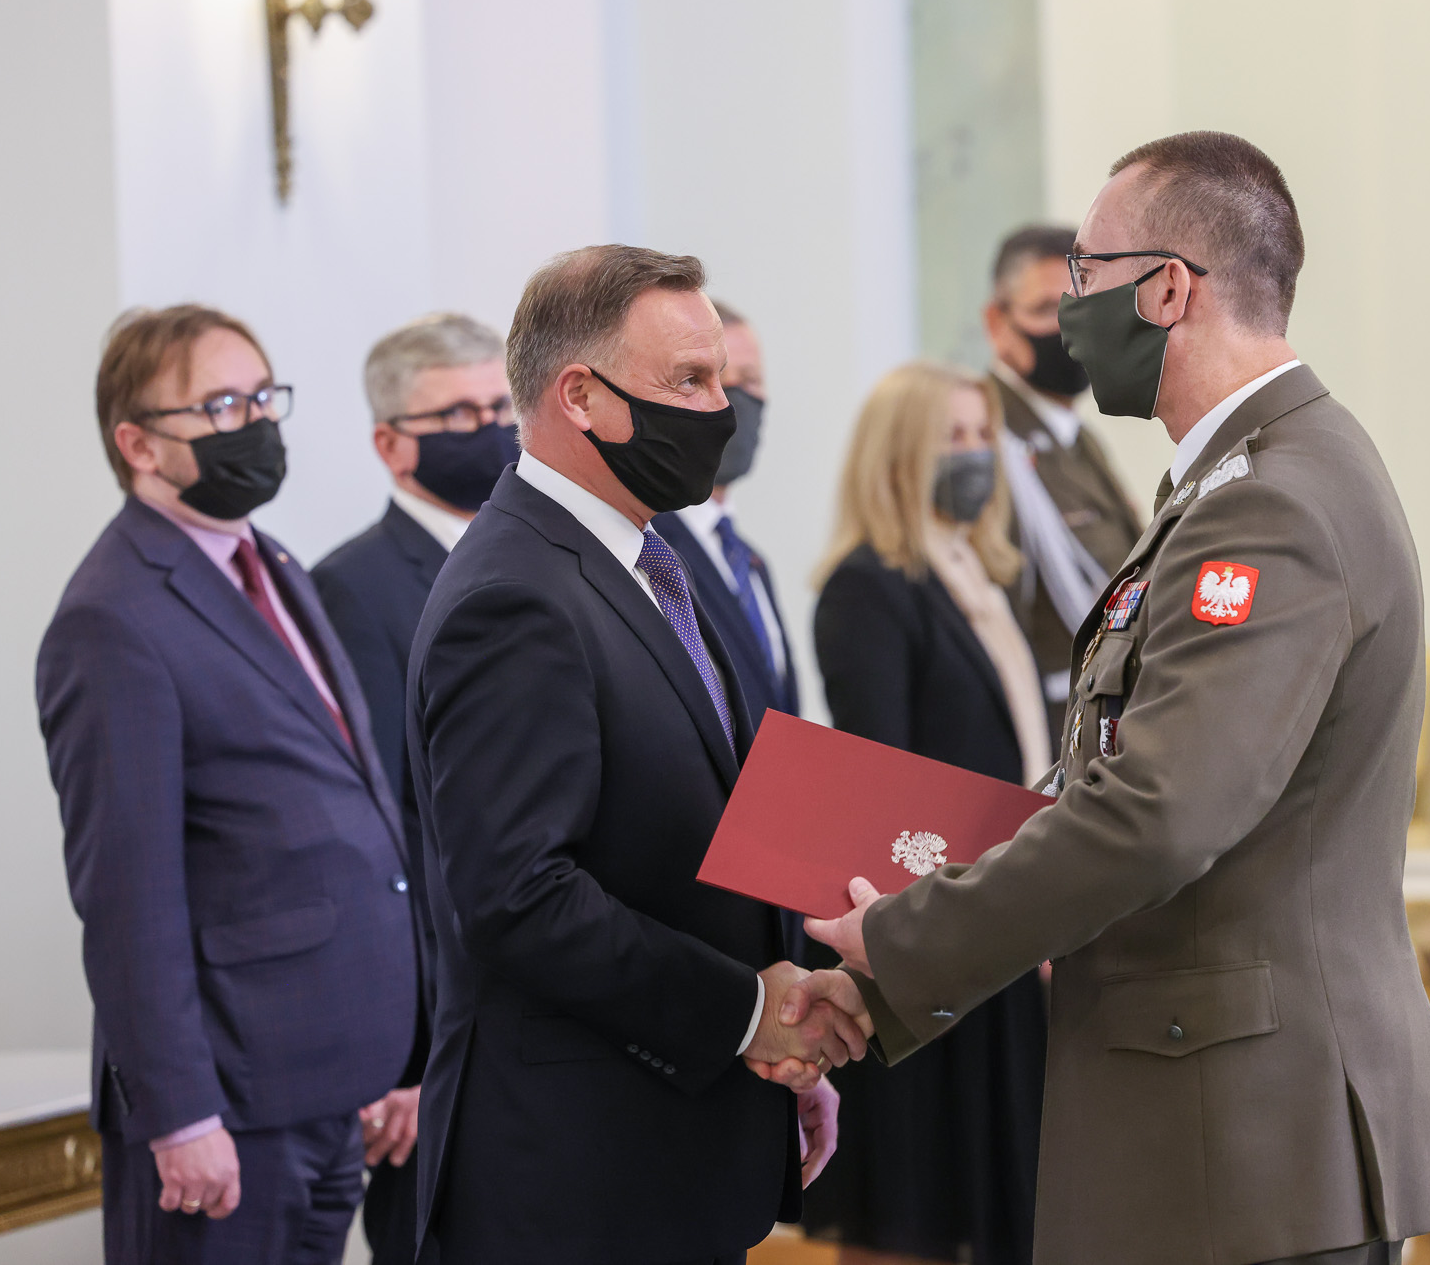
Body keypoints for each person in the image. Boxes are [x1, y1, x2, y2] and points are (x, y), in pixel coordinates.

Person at [794, 132, 1430, 1265]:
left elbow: (1157, 810)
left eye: (1085, 274)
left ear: (1166, 289)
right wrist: (911, 957)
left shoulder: (1265, 503)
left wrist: (907, 938)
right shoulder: (1241, 475)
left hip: (1245, 1135)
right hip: (1229, 1123)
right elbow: (1113, 767)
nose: (1070, 310)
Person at [406, 245, 868, 1265]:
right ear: (580, 396)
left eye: (722, 379)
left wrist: (775, 1048)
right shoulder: (516, 593)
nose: (720, 411)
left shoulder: (642, 558)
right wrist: (745, 1013)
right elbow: (518, 895)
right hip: (575, 1174)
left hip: (674, 1138)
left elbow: (685, 839)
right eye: (689, 381)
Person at [35, 305, 422, 1264]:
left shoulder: (270, 561)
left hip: (332, 1084)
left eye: (260, 396)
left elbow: (349, 795)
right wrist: (178, 1116)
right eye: (218, 405)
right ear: (138, 445)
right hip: (228, 1105)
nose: (252, 423)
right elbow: (127, 897)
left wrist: (394, 1050)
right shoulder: (112, 616)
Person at [799, 360, 1050, 1265]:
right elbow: (887, 783)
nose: (974, 455)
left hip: (997, 916)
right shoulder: (868, 586)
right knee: (925, 1210)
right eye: (951, 438)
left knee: (1002, 1204)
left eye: (982, 436)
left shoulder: (980, 573)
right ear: (898, 454)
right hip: (933, 929)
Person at [311, 311, 515, 1265]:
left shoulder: (540, 556)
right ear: (392, 444)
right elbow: (385, 829)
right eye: (458, 414)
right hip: (437, 1031)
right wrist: (409, 1050)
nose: (489, 429)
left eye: (501, 406)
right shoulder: (351, 588)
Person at [984, 225, 1141, 735]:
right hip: (1049, 731)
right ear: (997, 323)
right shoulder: (985, 436)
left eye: (1081, 306)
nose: (1067, 326)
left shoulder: (1076, 435)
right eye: (1046, 309)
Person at [652, 301, 800, 722]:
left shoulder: (750, 562)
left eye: (749, 380)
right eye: (706, 380)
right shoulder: (650, 551)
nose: (732, 401)